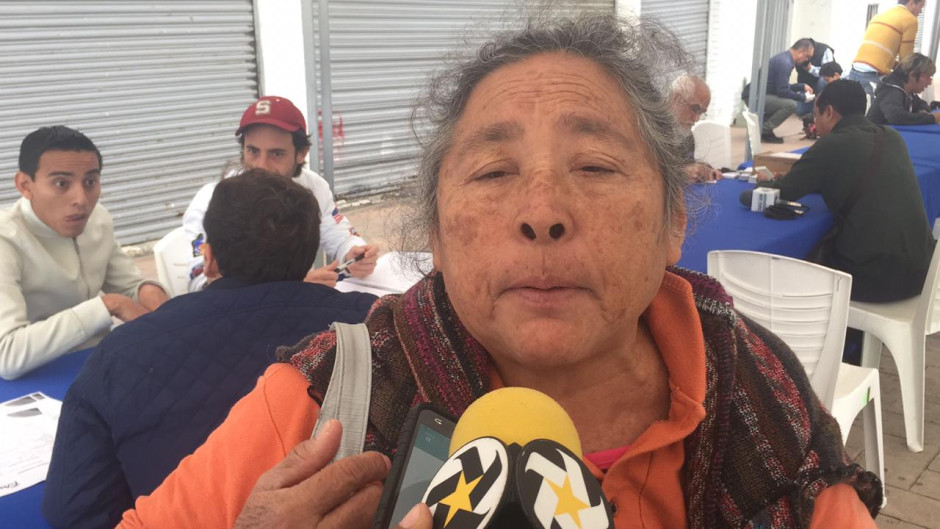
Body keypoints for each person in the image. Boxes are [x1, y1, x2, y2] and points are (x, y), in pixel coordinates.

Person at [119, 13, 882, 529]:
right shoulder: (323, 404)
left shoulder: (759, 388)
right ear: (438, 236)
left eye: (595, 163)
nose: (542, 209)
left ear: (672, 218)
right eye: (491, 172)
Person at [42, 169, 377, 529]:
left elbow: (73, 511)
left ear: (211, 258)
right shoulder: (375, 322)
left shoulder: (119, 354)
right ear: (311, 253)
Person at [0, 126, 167, 380]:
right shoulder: (7, 239)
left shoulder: (97, 219)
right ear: (25, 185)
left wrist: (152, 295)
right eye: (61, 183)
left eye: (90, 181)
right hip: (32, 381)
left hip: (97, 365)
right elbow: (7, 355)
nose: (81, 198)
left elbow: (129, 285)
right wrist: (105, 306)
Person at [758, 79, 935, 302]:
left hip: (876, 278)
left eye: (816, 115)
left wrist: (761, 182)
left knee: (796, 277)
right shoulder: (890, 136)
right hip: (923, 273)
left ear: (829, 112)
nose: (815, 122)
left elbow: (779, 194)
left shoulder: (831, 145)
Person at [182, 96, 378, 290]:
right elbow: (199, 280)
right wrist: (291, 288)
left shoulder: (315, 187)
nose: (261, 165)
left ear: (301, 154)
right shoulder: (211, 200)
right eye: (253, 151)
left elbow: (341, 235)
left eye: (276, 154)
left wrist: (354, 253)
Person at [845, 0, 925, 101]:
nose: (921, 11)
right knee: (877, 114)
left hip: (855, 71)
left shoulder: (880, 16)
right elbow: (906, 58)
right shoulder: (910, 20)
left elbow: (880, 53)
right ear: (911, 3)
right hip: (873, 75)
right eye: (921, 6)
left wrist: (895, 65)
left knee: (853, 112)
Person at [742, 39, 817, 143]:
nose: (806, 60)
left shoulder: (784, 58)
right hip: (754, 97)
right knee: (791, 105)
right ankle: (765, 130)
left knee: (782, 102)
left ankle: (760, 127)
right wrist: (803, 98)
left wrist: (801, 86)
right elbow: (783, 91)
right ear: (800, 52)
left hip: (755, 94)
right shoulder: (785, 63)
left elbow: (781, 87)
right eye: (807, 56)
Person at [669, 74, 721, 183]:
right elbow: (640, 172)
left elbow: (687, 163)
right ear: (676, 98)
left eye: (701, 112)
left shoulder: (685, 133)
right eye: (694, 108)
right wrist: (680, 174)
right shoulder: (648, 128)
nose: (696, 119)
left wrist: (704, 170)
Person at [867, 53, 940, 126]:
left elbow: (921, 103)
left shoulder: (907, 91)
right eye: (928, 77)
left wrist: (922, 111)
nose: (930, 82)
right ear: (912, 75)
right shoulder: (891, 91)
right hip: (873, 135)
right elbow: (896, 117)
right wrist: (932, 118)